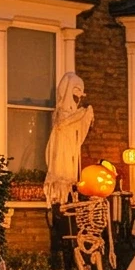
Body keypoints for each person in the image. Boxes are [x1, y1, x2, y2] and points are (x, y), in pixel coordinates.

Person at [44, 73, 94, 207]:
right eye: (76, 91)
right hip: (61, 153)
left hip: (70, 152)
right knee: (61, 178)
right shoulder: (61, 111)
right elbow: (63, 123)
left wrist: (86, 118)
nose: (78, 97)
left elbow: (79, 133)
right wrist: (82, 113)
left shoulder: (75, 113)